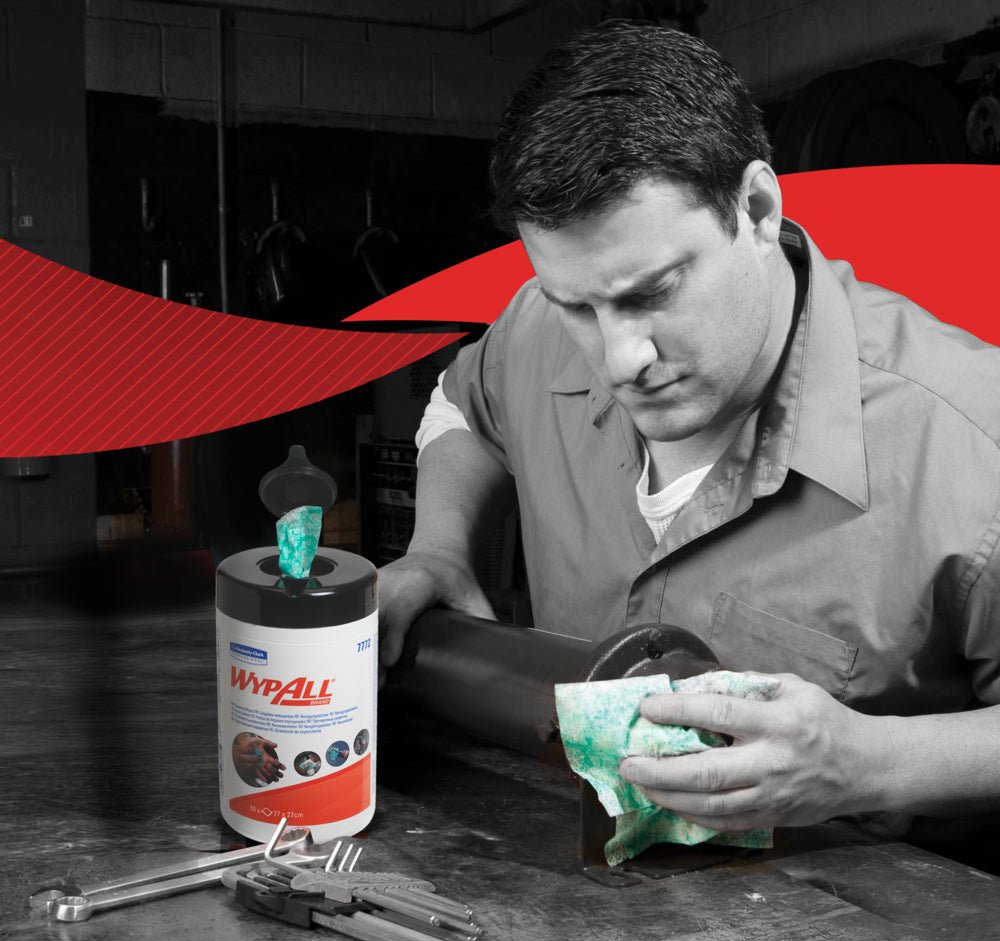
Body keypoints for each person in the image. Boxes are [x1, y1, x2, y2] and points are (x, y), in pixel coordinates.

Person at [378, 20, 1000, 839]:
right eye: (578, 306)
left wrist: (866, 761)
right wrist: (440, 547)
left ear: (756, 208)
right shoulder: (537, 325)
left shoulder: (970, 440)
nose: (619, 356)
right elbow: (461, 406)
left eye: (652, 292)